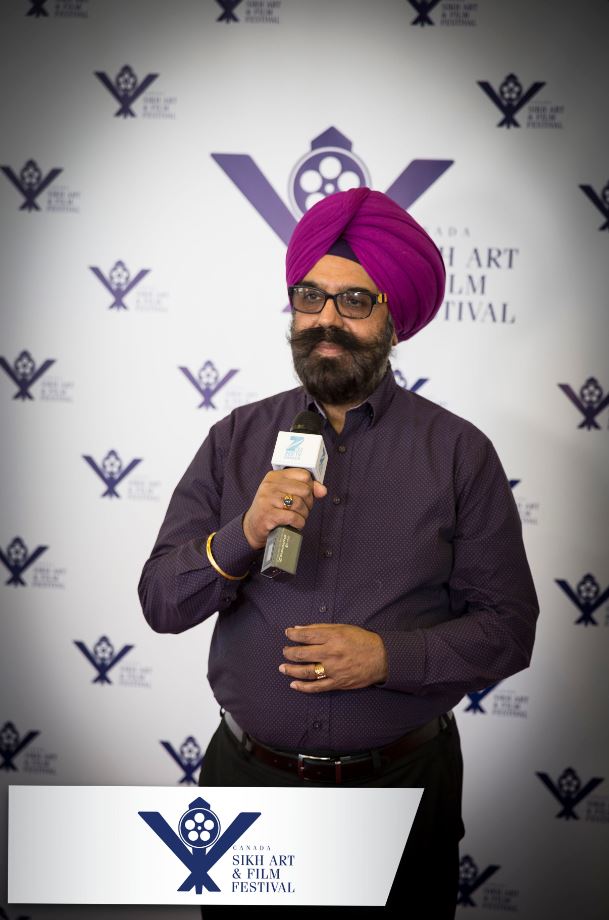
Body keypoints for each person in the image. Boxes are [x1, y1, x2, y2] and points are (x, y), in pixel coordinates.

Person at [138, 187, 538, 919]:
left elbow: (509, 630)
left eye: (354, 301)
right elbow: (162, 601)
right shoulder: (235, 439)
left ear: (394, 319)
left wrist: (388, 658)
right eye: (309, 297)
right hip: (247, 794)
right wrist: (244, 532)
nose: (326, 318)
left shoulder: (458, 453)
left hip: (399, 794)